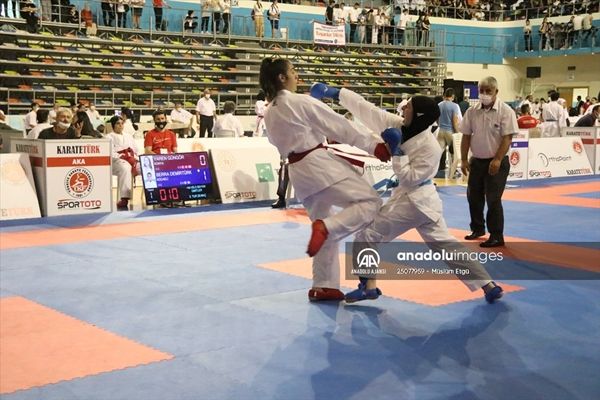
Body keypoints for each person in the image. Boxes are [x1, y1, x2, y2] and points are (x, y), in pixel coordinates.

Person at [316, 86, 504, 304]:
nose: (404, 107)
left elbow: (408, 178)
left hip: (414, 201)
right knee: (447, 245)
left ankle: (368, 287)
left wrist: (397, 151)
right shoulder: (399, 125)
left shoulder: (431, 148)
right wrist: (336, 93)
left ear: (419, 115)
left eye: (410, 107)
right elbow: (367, 110)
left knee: (367, 235)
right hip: (424, 204)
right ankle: (488, 285)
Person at [260, 58, 391, 301]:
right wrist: (374, 146)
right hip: (319, 166)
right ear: (282, 77)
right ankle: (326, 228)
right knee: (370, 202)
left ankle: (323, 285)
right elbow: (338, 125)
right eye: (293, 71)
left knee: (324, 219)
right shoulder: (299, 102)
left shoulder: (269, 112)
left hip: (299, 173)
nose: (297, 75)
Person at [460, 76, 518, 248]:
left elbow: (507, 138)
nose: (484, 94)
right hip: (477, 160)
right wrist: (463, 159)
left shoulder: (506, 111)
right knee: (473, 197)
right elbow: (466, 136)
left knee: (493, 198)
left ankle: (497, 235)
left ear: (496, 92)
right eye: (481, 90)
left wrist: (498, 159)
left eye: (488, 91)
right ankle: (477, 228)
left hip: (497, 162)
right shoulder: (472, 111)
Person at [107, 116, 140, 210]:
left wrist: (133, 157)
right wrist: (123, 156)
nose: (121, 125)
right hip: (116, 161)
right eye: (118, 123)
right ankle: (124, 198)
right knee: (126, 168)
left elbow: (136, 150)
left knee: (143, 167)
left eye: (122, 123)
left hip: (131, 159)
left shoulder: (128, 136)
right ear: (113, 125)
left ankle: (154, 193)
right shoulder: (109, 137)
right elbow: (110, 153)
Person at [437, 88, 462, 178]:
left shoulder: (439, 105)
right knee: (453, 154)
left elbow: (437, 119)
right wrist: (458, 133)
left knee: (438, 153)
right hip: (450, 132)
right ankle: (452, 173)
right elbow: (455, 122)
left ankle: (434, 170)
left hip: (440, 131)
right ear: (453, 96)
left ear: (444, 95)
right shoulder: (454, 106)